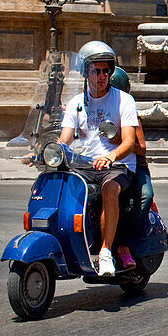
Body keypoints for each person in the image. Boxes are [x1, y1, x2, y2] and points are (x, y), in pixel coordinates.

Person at [58, 41, 138, 277]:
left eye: (106, 71)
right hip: (85, 165)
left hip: (119, 166)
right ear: (86, 73)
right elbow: (65, 139)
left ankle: (105, 252)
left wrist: (111, 156)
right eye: (96, 71)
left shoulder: (123, 100)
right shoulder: (76, 104)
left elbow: (129, 141)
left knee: (109, 188)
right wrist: (46, 151)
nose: (102, 76)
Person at [109, 67, 149, 272]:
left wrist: (125, 142)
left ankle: (128, 242)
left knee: (144, 196)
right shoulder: (100, 112)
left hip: (135, 166)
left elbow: (142, 149)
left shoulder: (131, 114)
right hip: (109, 166)